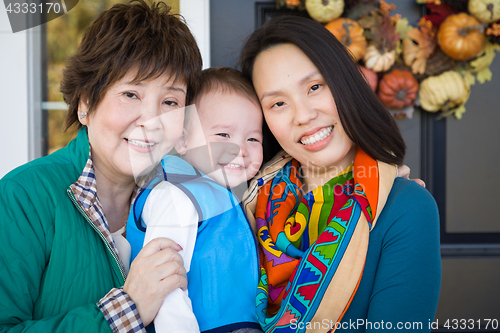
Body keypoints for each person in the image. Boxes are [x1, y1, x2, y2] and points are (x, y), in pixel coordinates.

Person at [0, 1, 203, 332]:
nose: (151, 121)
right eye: (130, 94)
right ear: (85, 104)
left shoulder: (191, 198)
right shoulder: (21, 197)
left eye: (169, 102)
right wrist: (128, 308)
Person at [239, 16, 441, 332]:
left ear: (344, 83)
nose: (303, 115)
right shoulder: (243, 207)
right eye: (278, 103)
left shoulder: (406, 208)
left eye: (315, 87)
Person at [126, 67, 265, 333]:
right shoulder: (176, 193)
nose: (240, 150)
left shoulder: (229, 195)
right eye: (223, 135)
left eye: (253, 138)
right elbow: (164, 283)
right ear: (184, 140)